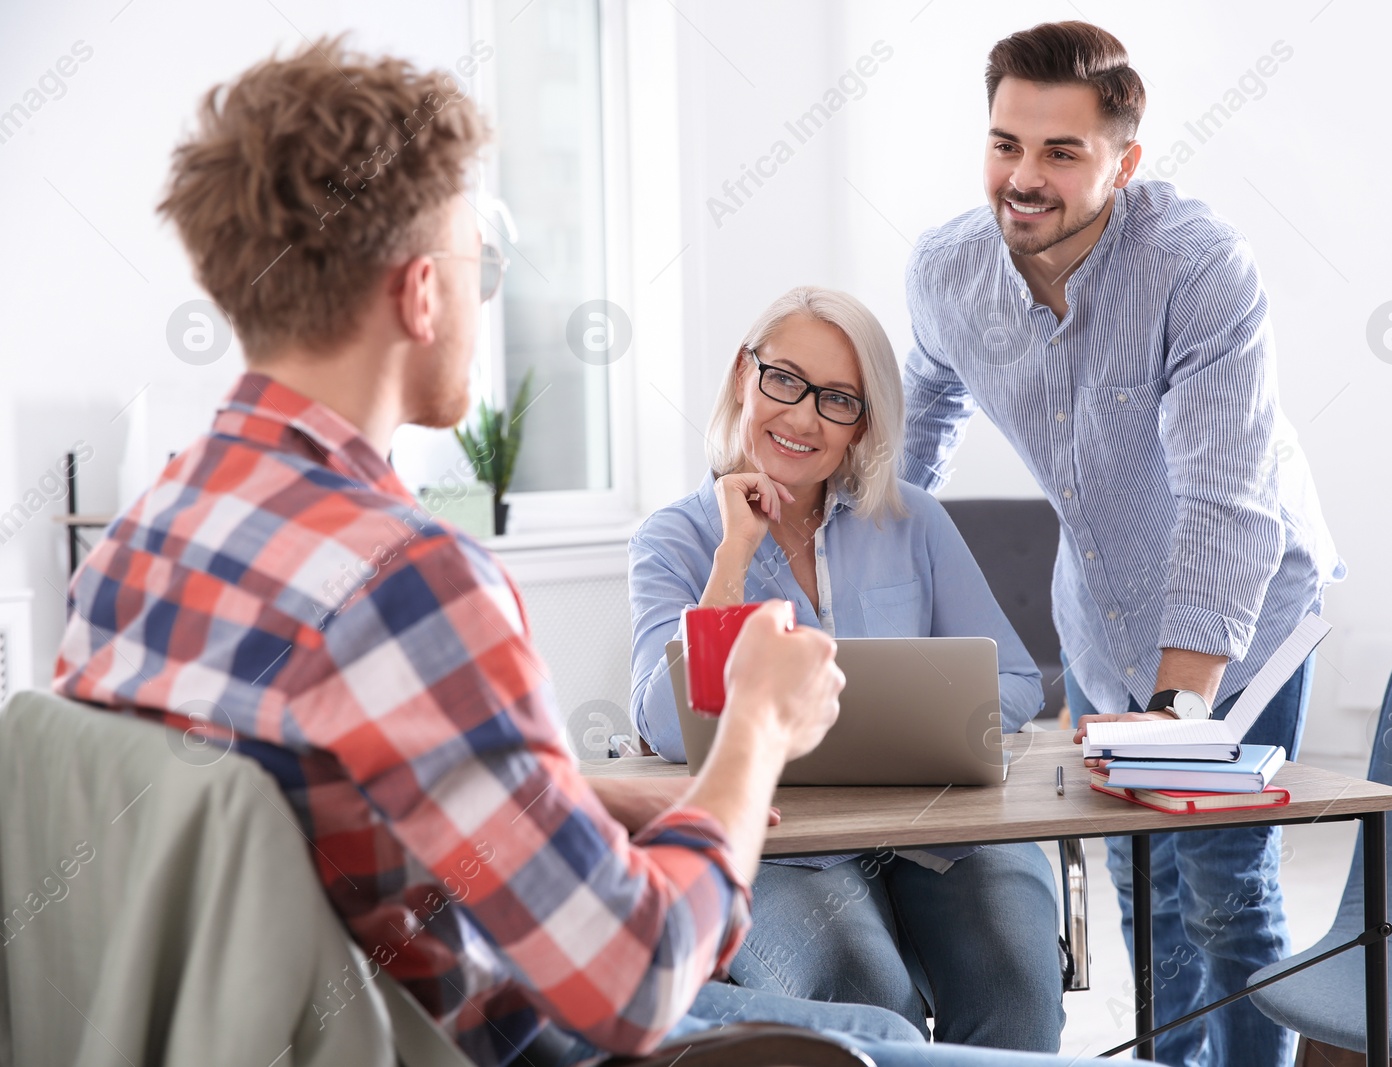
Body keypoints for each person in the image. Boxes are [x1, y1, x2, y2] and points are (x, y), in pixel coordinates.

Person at [52, 37, 1144, 1067]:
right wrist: (756, 727)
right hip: (499, 1026)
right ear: (422, 292)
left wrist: (563, 790)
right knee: (866, 1038)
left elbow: (324, 789)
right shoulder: (412, 580)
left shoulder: (147, 539)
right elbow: (636, 975)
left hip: (328, 1010)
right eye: (480, 263)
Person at [899, 20, 1345, 1067]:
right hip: (1099, 614)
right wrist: (844, 580)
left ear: (1123, 161)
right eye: (1006, 143)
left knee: (1224, 881)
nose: (1022, 176)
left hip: (1249, 608)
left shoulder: (1196, 266)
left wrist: (1178, 715)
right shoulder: (946, 271)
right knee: (1143, 890)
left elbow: (1226, 497)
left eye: (1061, 151)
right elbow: (916, 432)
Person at [628, 285, 1066, 1052]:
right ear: (744, 376)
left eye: (837, 399)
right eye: (784, 381)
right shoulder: (675, 539)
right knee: (869, 1011)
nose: (801, 417)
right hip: (783, 849)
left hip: (938, 829)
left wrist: (915, 719)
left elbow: (1018, 680)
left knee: (1016, 992)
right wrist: (733, 555)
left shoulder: (913, 519)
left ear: (863, 424)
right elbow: (668, 725)